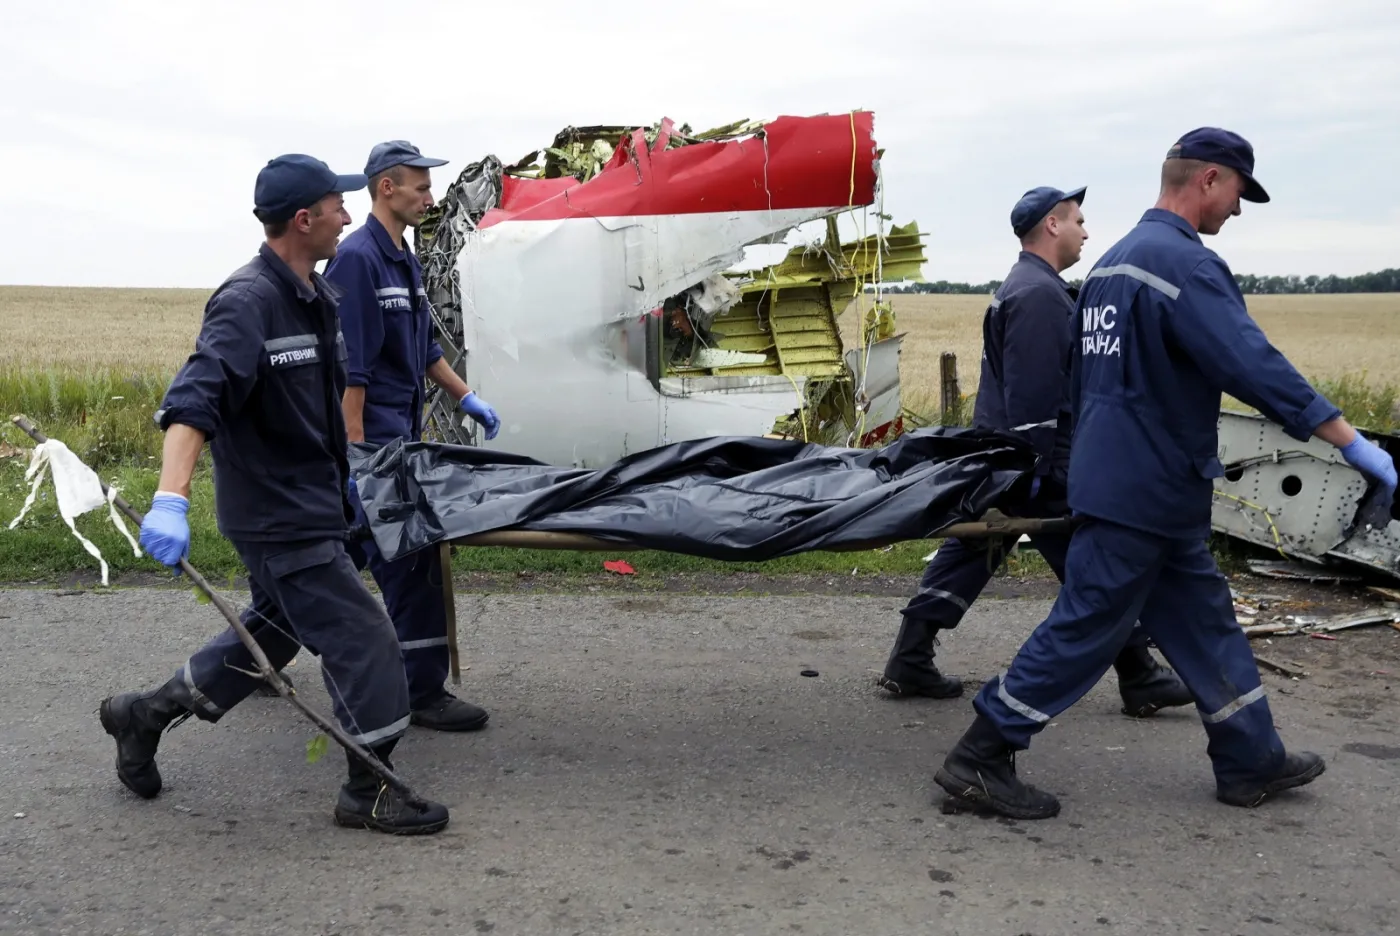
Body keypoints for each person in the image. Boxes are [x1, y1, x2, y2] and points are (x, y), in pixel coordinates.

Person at [934, 128, 1399, 819]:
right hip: (1144, 489)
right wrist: (1347, 438)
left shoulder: (1114, 265)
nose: (1238, 210)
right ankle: (981, 754)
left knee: (1205, 619)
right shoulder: (1181, 264)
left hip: (1145, 484)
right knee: (1089, 621)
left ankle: (1250, 757)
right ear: (1209, 179)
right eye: (1239, 192)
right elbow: (1250, 362)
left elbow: (1084, 384)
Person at [99, 154, 450, 835]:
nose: (347, 217)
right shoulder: (247, 302)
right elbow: (192, 404)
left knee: (278, 631)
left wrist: (347, 471)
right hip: (275, 514)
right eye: (336, 207)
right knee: (365, 638)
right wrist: (171, 497)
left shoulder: (314, 296)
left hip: (314, 500)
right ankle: (369, 790)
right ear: (304, 219)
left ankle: (145, 714)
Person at [879, 185, 1192, 719]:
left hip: (1012, 459)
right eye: (1078, 220)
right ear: (1052, 224)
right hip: (1036, 461)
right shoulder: (1039, 295)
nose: (1086, 231)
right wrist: (1043, 473)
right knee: (1095, 564)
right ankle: (1139, 673)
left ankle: (910, 658)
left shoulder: (1030, 286)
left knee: (975, 551)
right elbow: (1035, 397)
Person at [323, 140, 500, 732]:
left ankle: (246, 659)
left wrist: (464, 395)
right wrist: (355, 456)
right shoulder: (357, 260)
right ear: (386, 189)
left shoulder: (404, 257)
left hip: (395, 437)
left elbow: (422, 348)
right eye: (420, 188)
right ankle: (422, 693)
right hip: (368, 444)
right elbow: (352, 369)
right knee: (410, 558)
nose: (430, 197)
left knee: (325, 566)